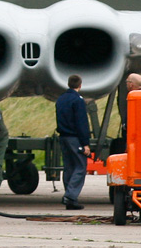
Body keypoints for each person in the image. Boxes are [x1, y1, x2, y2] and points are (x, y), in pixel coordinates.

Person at [55, 74, 91, 210]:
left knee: (69, 167)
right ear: (80, 85)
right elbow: (81, 123)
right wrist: (85, 143)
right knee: (81, 167)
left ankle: (70, 198)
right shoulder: (78, 100)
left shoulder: (61, 99)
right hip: (75, 138)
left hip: (63, 137)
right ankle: (70, 196)